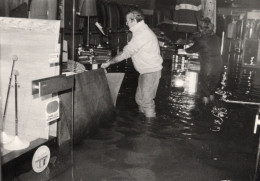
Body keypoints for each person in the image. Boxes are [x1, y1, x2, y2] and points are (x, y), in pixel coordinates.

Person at [101, 9, 163, 117]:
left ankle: (150, 129)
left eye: (127, 21)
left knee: (147, 102)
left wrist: (109, 63)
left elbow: (126, 53)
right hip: (146, 71)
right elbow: (127, 50)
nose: (126, 23)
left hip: (151, 72)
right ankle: (143, 124)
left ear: (133, 20)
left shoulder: (142, 34)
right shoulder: (140, 30)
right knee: (139, 99)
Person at [185, 17, 224, 105]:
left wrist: (186, 48)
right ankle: (212, 110)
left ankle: (205, 113)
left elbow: (191, 50)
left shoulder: (201, 40)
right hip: (218, 67)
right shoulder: (216, 37)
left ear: (200, 28)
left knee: (205, 92)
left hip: (207, 69)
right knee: (212, 91)